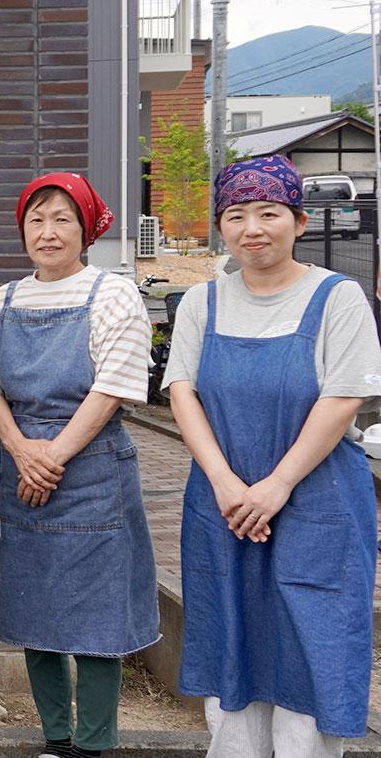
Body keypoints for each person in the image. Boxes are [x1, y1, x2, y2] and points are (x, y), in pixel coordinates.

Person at [163, 155, 381, 758]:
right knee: (232, 634)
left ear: (299, 221)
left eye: (269, 212)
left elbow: (343, 397)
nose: (252, 227)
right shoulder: (200, 304)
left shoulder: (338, 298)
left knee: (312, 641)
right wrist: (226, 482)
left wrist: (277, 485)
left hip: (318, 503)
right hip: (223, 503)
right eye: (236, 215)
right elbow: (182, 393)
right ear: (221, 226)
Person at [0, 173, 159, 758]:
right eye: (36, 220)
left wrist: (51, 455)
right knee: (35, 607)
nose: (47, 233)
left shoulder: (112, 293)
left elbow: (115, 386)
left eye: (62, 220)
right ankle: (55, 738)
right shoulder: (2, 299)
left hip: (92, 468)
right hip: (19, 466)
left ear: (86, 229)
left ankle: (94, 741)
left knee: (98, 619)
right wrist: (23, 450)